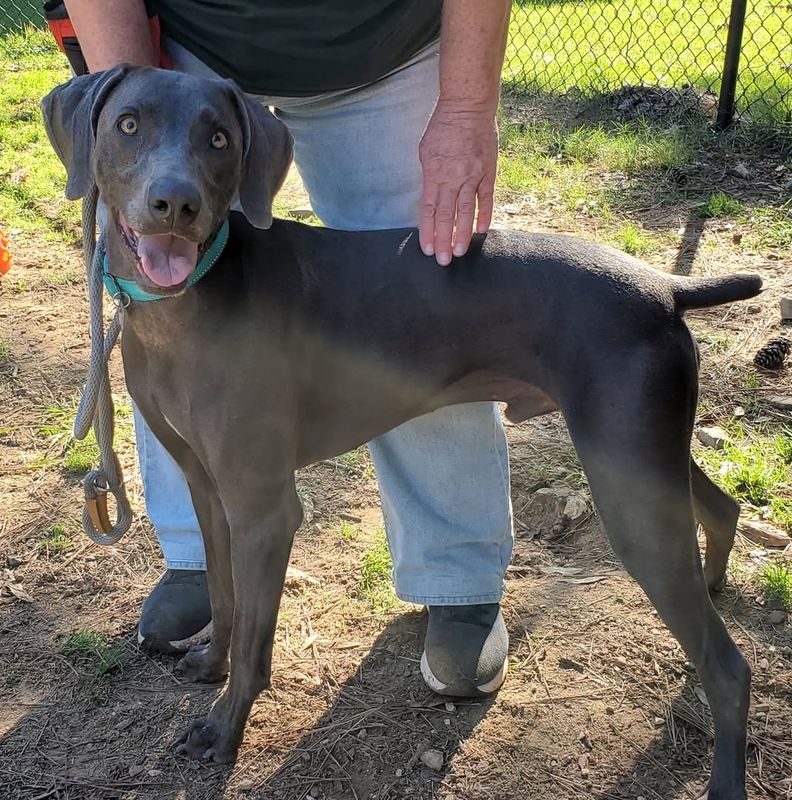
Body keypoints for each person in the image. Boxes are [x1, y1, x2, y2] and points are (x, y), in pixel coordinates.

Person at [62, 0, 514, 698]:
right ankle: (201, 561)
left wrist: (463, 108)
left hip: (383, 46)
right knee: (170, 311)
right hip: (191, 45)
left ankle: (455, 572)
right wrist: (135, 98)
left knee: (428, 301)